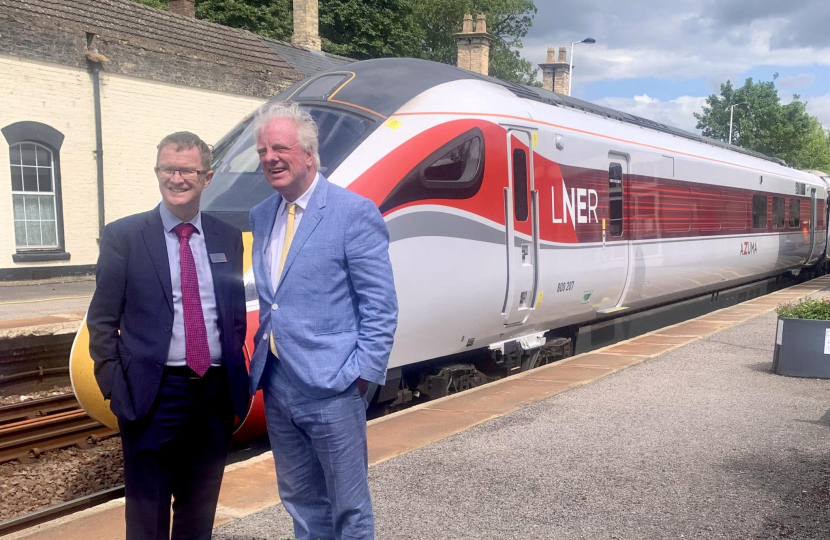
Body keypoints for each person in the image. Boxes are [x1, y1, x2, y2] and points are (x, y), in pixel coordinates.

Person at [87, 132, 249, 540]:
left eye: (187, 171)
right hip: (151, 395)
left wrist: (234, 380)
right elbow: (102, 318)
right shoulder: (123, 236)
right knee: (147, 514)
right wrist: (114, 384)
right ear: (158, 171)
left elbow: (231, 318)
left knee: (198, 512)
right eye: (167, 169)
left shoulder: (227, 237)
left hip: (212, 395)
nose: (176, 179)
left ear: (207, 176)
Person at [248, 102, 398, 540]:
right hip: (277, 383)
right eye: (262, 151)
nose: (270, 157)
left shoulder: (353, 212)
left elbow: (380, 305)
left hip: (334, 386)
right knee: (301, 503)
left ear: (309, 154)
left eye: (280, 147)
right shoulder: (262, 215)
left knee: (349, 509)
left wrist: (361, 375)